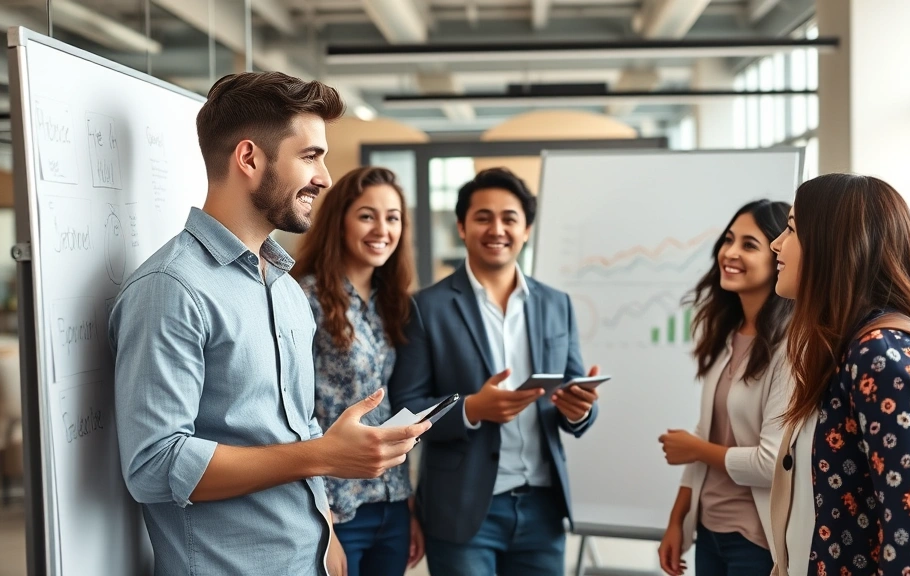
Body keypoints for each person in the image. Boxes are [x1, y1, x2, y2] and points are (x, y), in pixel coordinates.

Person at [108, 72, 428, 576]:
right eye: (310, 156)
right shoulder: (171, 288)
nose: (324, 176)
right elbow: (154, 466)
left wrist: (323, 528)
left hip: (308, 557)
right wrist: (323, 456)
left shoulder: (282, 286)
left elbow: (294, 426)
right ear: (250, 158)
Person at [388, 167, 601, 576]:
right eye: (483, 217)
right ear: (462, 227)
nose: (496, 228)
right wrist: (473, 409)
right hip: (462, 509)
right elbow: (407, 406)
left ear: (526, 230)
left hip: (543, 508)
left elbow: (572, 395)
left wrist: (579, 410)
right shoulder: (425, 307)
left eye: (509, 218)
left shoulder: (557, 304)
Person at [768, 173, 910, 576]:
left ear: (833, 246)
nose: (777, 243)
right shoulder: (849, 348)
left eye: (791, 229)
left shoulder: (881, 355)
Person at [291, 166, 425, 576]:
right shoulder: (304, 296)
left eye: (393, 217)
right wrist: (324, 525)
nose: (381, 228)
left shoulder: (394, 303)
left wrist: (408, 505)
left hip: (391, 501)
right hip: (335, 508)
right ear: (340, 222)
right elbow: (294, 415)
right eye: (367, 215)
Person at [657, 200, 795, 576]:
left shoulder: (790, 348)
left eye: (749, 245)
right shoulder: (727, 335)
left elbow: (771, 464)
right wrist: (676, 521)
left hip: (754, 541)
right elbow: (708, 432)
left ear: (777, 256)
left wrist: (696, 449)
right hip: (709, 530)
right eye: (728, 240)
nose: (730, 253)